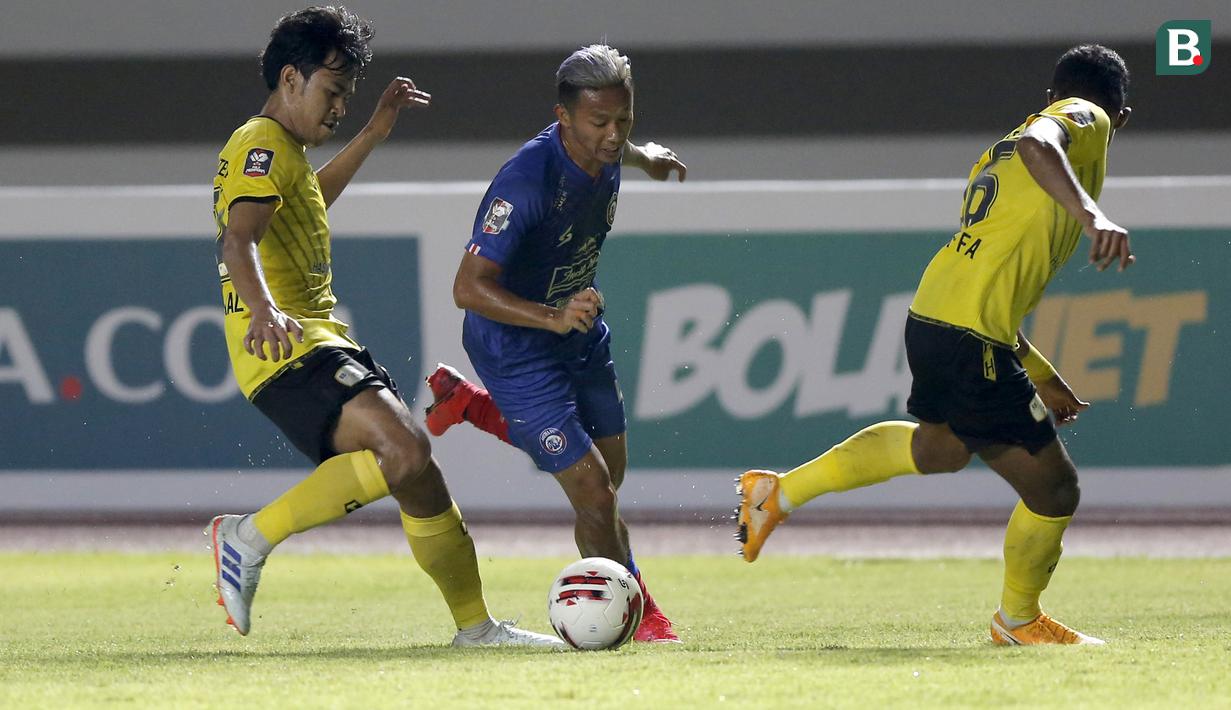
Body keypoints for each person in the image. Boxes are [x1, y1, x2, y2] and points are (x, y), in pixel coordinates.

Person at [736, 44, 1134, 646]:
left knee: (941, 448)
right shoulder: (1086, 118)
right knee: (1055, 489)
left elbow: (989, 290)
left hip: (935, 317)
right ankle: (1018, 620)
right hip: (969, 334)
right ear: (1118, 116)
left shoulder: (994, 156)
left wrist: (1042, 373)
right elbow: (1041, 143)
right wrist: (1091, 214)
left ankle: (778, 493)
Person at [207, 5, 561, 648]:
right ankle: (247, 537)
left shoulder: (283, 151)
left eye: (348, 96)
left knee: (418, 474)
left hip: (314, 339)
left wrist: (372, 132)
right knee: (405, 451)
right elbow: (240, 240)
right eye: (333, 91)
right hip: (289, 347)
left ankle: (476, 628)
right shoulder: (260, 143)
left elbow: (308, 202)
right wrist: (262, 308)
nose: (339, 108)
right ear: (291, 78)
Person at [423, 44, 688, 643]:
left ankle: (471, 407)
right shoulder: (525, 183)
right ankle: (636, 615)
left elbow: (624, 148)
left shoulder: (610, 147)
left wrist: (648, 157)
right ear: (563, 116)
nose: (613, 135)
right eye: (600, 122)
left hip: (577, 328)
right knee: (594, 492)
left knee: (609, 478)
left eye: (625, 120)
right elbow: (467, 288)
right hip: (515, 347)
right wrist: (551, 316)